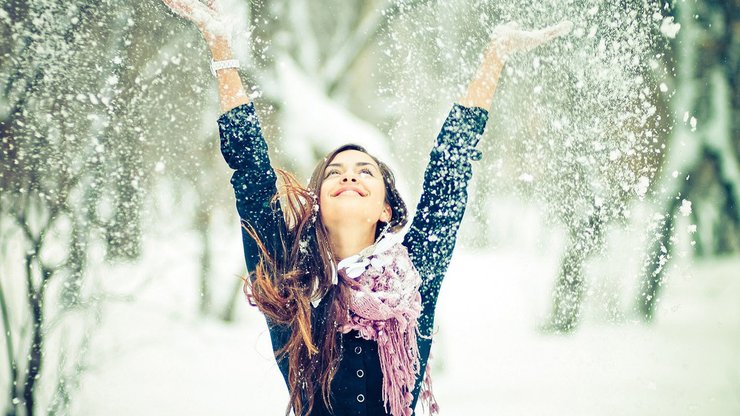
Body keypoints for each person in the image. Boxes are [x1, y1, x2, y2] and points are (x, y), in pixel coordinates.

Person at [162, 1, 572, 415]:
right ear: (318, 201)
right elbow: (250, 173)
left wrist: (493, 58)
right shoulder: (292, 279)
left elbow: (450, 172)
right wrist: (219, 43)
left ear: (386, 210)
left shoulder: (414, 275)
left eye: (365, 171)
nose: (350, 176)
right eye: (335, 172)